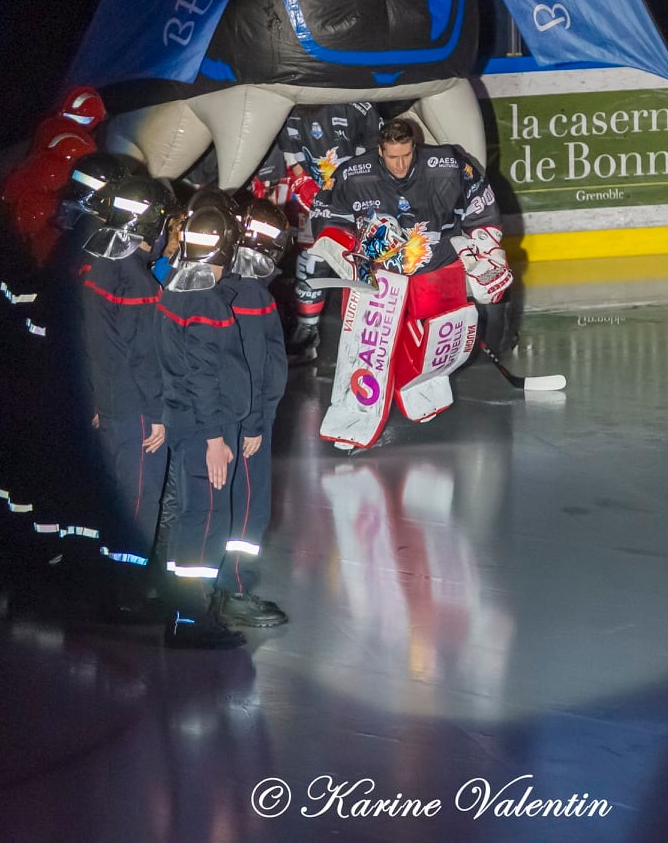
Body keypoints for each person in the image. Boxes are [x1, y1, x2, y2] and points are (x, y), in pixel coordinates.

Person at [306, 119, 511, 446]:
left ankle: (422, 385)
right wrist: (344, 250)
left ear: (415, 146)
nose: (400, 165)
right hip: (377, 273)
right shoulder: (353, 174)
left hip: (435, 267)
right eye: (392, 157)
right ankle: (356, 408)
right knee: (370, 340)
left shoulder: (448, 164)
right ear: (379, 151)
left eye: (406, 155)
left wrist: (488, 248)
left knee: (442, 333)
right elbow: (326, 215)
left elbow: (479, 201)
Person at [157, 203, 253, 649]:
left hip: (186, 422)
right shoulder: (207, 303)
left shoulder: (174, 286)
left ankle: (184, 611)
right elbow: (203, 375)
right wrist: (216, 438)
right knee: (208, 519)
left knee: (193, 516)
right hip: (205, 429)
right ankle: (192, 619)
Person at [72, 170, 176, 579]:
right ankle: (126, 589)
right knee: (138, 500)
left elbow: (93, 345)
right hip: (137, 413)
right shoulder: (140, 285)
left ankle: (101, 577)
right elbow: (144, 360)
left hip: (109, 404)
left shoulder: (97, 270)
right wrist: (160, 415)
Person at [214, 199, 293, 627]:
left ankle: (218, 587)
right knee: (248, 507)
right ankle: (234, 590)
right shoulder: (251, 297)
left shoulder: (223, 284)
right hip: (245, 423)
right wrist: (254, 424)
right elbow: (252, 368)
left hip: (224, 419)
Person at [277, 103, 382, 362]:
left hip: (359, 196)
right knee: (311, 260)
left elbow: (377, 152)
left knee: (363, 263)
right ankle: (307, 330)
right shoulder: (287, 104)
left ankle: (370, 333)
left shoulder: (359, 105)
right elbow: (290, 155)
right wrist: (301, 181)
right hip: (312, 198)